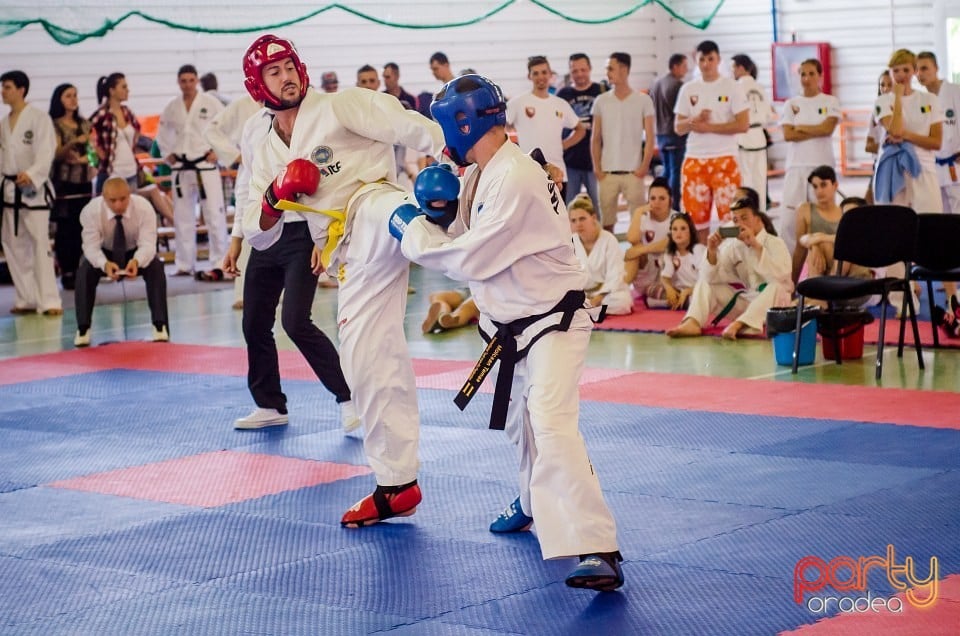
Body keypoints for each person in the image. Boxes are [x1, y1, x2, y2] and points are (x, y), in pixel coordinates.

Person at [392, 74, 624, 591]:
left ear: (463, 121)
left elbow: (469, 255)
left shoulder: (514, 176)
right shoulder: (482, 171)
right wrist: (444, 213)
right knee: (522, 426)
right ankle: (533, 499)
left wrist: (412, 227)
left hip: (552, 323)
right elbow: (466, 234)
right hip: (510, 325)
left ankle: (597, 545)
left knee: (549, 421)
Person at [239, 35, 444, 526]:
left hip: (378, 206)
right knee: (367, 362)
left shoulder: (342, 104)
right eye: (274, 72)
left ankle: (457, 240)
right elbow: (255, 230)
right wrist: (273, 197)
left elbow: (412, 126)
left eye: (289, 66)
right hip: (347, 254)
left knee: (390, 214)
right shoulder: (260, 142)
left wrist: (466, 151)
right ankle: (397, 483)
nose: (286, 76)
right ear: (257, 85)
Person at [666, 196, 792, 340]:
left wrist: (756, 246)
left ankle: (739, 325)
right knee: (706, 283)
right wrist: (712, 251)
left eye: (745, 218)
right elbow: (711, 277)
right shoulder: (735, 247)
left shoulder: (775, 242)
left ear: (758, 220)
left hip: (774, 306)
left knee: (777, 286)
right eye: (736, 220)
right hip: (748, 302)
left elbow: (781, 276)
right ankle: (693, 322)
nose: (740, 224)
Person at [73, 177, 169, 346]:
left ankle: (160, 325)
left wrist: (137, 262)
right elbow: (90, 248)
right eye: (113, 200)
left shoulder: (144, 208)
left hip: (135, 251)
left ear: (130, 195)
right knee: (85, 269)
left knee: (156, 267)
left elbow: (148, 244)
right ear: (103, 197)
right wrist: (104, 264)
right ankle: (83, 327)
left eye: (123, 199)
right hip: (105, 252)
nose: (118, 205)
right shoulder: (90, 211)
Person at [157, 64, 229, 279]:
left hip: (205, 165)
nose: (187, 84)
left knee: (214, 214)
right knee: (182, 217)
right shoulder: (172, 106)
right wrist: (167, 153)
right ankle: (184, 263)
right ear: (178, 82)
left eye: (191, 80)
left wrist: (219, 151)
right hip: (181, 166)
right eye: (183, 81)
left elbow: (227, 126)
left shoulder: (210, 103)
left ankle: (219, 261)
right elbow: (163, 132)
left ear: (197, 81)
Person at [674, 40, 749, 244]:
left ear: (718, 60)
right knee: (695, 221)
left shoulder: (732, 86)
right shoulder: (688, 89)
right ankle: (700, 264)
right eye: (702, 59)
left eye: (710, 59)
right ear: (695, 60)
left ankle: (731, 263)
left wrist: (711, 128)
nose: (706, 64)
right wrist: (693, 121)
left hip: (724, 159)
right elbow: (678, 127)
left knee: (731, 219)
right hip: (695, 160)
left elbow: (743, 124)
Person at [1, 70, 61, 316]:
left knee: (39, 245)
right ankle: (26, 298)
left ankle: (49, 301)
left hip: (32, 191)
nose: (3, 92)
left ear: (21, 89)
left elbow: (47, 150)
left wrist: (34, 174)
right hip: (8, 190)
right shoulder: (4, 123)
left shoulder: (38, 118)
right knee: (13, 245)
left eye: (7, 87)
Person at [89, 73, 175, 223]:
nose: (127, 90)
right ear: (112, 90)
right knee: (112, 217)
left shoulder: (127, 112)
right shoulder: (102, 114)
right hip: (112, 170)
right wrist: (96, 151)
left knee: (130, 216)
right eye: (123, 87)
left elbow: (136, 132)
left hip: (131, 171)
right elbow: (86, 130)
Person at [205, 94, 262, 310]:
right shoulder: (241, 105)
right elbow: (211, 130)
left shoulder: (287, 100)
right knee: (246, 231)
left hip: (282, 173)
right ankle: (242, 292)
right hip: (250, 172)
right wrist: (235, 155)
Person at [779, 58, 841, 256]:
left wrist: (801, 127)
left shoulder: (830, 102)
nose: (806, 78)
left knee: (822, 219)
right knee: (789, 221)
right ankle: (788, 271)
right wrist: (815, 128)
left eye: (811, 73)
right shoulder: (791, 104)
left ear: (820, 76)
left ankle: (825, 265)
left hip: (822, 166)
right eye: (803, 74)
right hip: (796, 167)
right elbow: (788, 134)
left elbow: (827, 129)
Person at [591, 52, 656, 233]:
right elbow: (595, 138)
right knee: (606, 225)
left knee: (639, 224)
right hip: (607, 172)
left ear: (624, 69)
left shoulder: (643, 100)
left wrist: (644, 167)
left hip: (634, 173)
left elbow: (650, 137)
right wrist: (597, 168)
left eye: (611, 68)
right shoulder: (601, 101)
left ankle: (639, 260)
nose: (607, 73)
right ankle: (609, 259)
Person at [506, 55, 583, 201]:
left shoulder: (560, 104)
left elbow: (580, 129)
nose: (540, 77)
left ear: (550, 74)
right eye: (535, 73)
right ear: (529, 76)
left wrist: (563, 145)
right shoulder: (518, 103)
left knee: (559, 221)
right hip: (529, 174)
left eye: (543, 72)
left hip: (558, 175)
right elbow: (500, 127)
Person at [49, 83, 95, 291]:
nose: (73, 100)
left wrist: (83, 159)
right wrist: (74, 141)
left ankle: (79, 269)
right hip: (63, 183)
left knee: (81, 227)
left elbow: (95, 154)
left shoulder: (85, 124)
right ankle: (66, 270)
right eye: (68, 96)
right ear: (59, 99)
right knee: (65, 228)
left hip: (83, 181)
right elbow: (56, 153)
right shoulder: (54, 125)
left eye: (75, 95)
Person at [568, 194, 632, 314]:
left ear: (593, 217)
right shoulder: (570, 242)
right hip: (582, 294)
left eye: (582, 219)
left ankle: (586, 311)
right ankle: (591, 311)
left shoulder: (608, 240)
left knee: (623, 302)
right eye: (573, 220)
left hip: (606, 294)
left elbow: (615, 275)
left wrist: (597, 299)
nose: (578, 224)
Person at [556, 53, 604, 208]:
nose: (579, 74)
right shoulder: (563, 95)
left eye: (583, 70)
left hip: (597, 162)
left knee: (599, 207)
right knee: (568, 207)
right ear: (570, 72)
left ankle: (599, 233)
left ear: (590, 69)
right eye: (575, 71)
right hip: (570, 161)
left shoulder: (602, 91)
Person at [731, 54, 774, 212]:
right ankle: (761, 212)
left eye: (733, 68)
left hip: (743, 135)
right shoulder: (760, 87)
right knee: (760, 179)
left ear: (741, 68)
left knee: (745, 179)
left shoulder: (736, 87)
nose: (732, 72)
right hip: (759, 136)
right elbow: (769, 115)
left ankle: (745, 212)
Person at [623, 177, 673, 305]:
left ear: (670, 200)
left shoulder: (677, 218)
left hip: (668, 273)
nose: (657, 202)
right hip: (647, 272)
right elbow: (632, 238)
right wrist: (638, 212)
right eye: (653, 198)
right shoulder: (643, 216)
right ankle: (620, 289)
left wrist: (641, 250)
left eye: (662, 198)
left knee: (636, 250)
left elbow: (668, 243)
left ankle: (657, 296)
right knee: (634, 248)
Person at [649, 53, 688, 205]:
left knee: (667, 169)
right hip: (674, 134)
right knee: (675, 172)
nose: (686, 69)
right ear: (675, 66)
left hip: (660, 133)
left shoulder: (656, 83)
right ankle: (674, 205)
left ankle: (659, 199)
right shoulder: (677, 86)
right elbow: (680, 111)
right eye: (684, 66)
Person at [658, 212, 706, 310]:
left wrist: (689, 291)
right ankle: (679, 301)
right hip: (680, 291)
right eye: (674, 229)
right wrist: (669, 289)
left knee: (699, 298)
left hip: (699, 289)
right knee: (653, 292)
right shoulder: (670, 253)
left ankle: (682, 302)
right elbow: (665, 277)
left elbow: (706, 280)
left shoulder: (698, 249)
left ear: (691, 232)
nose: (678, 233)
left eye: (683, 229)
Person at [864, 71, 894, 204]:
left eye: (890, 85)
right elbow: (868, 146)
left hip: (900, 165)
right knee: (869, 202)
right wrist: (887, 148)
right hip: (880, 163)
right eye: (882, 85)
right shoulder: (875, 113)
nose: (886, 89)